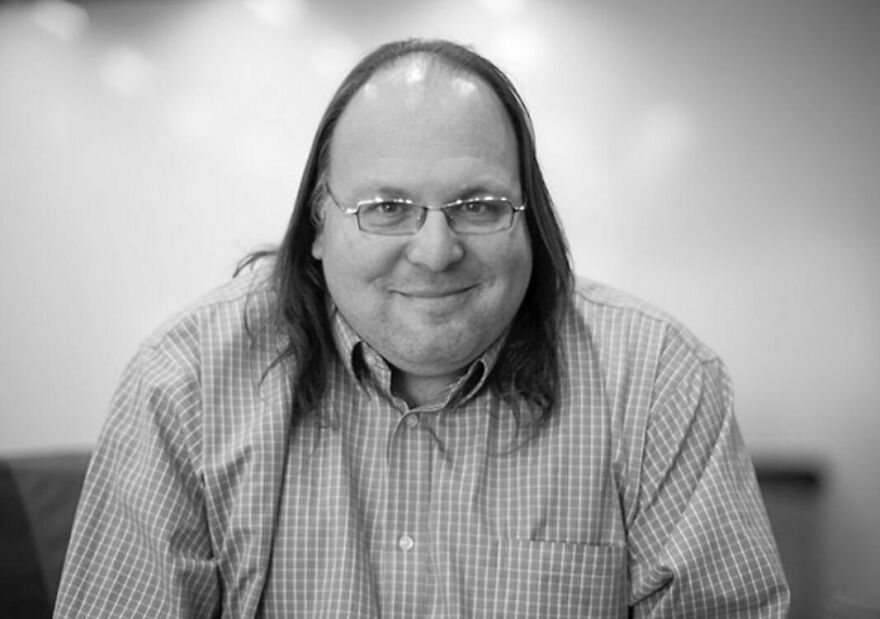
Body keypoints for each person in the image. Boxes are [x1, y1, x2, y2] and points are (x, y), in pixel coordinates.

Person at [55, 38, 788, 617]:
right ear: (318, 223)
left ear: (529, 217)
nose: (436, 251)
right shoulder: (183, 385)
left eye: (479, 205)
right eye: (386, 207)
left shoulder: (658, 381)